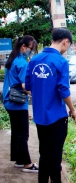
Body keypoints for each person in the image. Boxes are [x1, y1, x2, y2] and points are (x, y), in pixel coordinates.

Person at [25, 28, 76, 183]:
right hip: (56, 118)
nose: (67, 48)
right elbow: (63, 90)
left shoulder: (34, 60)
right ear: (65, 42)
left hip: (40, 117)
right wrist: (72, 109)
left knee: (44, 154)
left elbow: (28, 86)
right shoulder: (61, 62)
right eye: (68, 45)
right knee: (55, 158)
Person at [1, 35, 39, 173]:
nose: (31, 51)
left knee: (16, 132)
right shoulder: (22, 63)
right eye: (31, 48)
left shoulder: (11, 60)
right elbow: (25, 86)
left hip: (8, 100)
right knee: (23, 134)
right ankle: (28, 164)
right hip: (17, 102)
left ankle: (19, 160)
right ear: (24, 47)